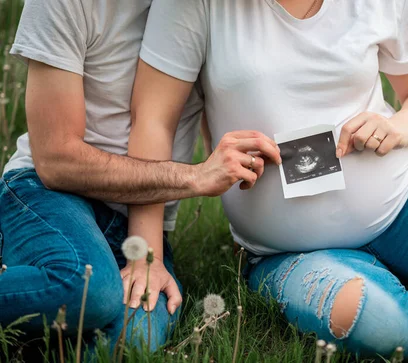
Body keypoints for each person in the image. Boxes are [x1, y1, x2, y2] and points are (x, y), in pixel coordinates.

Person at [130, 0, 408, 358]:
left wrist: (399, 126)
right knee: (374, 323)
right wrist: (145, 254)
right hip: (288, 248)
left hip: (407, 195)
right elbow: (153, 120)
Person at [0, 0, 280, 351]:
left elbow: (225, 117)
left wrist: (249, 231)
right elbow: (56, 161)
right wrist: (192, 177)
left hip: (140, 221)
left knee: (131, 342)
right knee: (86, 288)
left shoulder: (207, 9)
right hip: (46, 193)